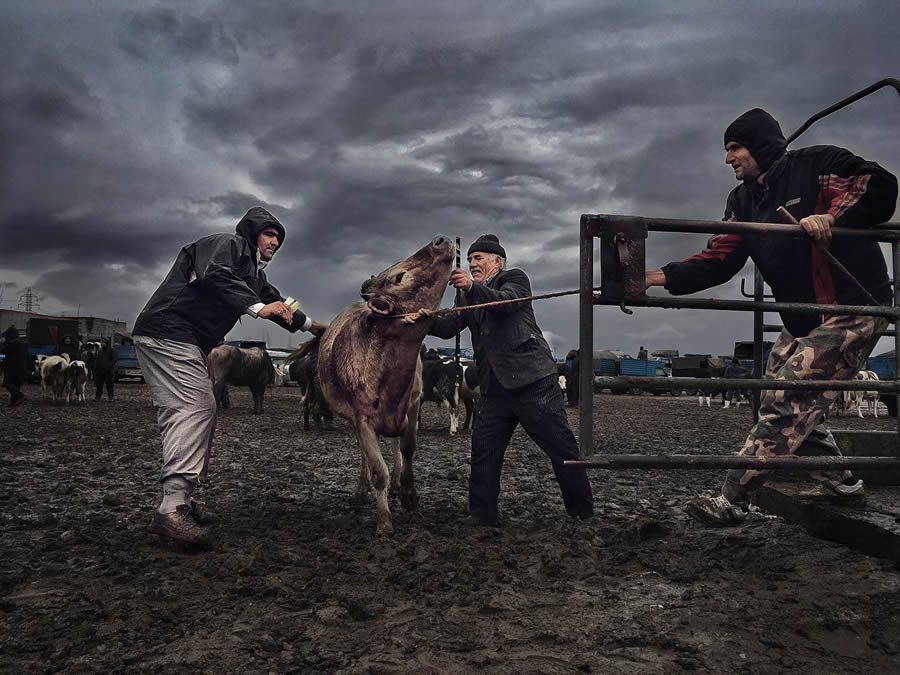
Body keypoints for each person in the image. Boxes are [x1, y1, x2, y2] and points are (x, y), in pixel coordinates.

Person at [644, 108, 897, 526]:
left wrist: (833, 216)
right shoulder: (743, 200)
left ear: (759, 145)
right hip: (802, 319)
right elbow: (719, 258)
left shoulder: (818, 165)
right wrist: (656, 277)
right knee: (774, 393)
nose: (728, 159)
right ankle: (841, 481)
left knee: (788, 395)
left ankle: (732, 500)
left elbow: (876, 186)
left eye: (735, 148)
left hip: (853, 307)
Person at [133, 206, 328, 547]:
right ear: (252, 232)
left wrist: (318, 328)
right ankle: (171, 511)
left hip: (187, 340)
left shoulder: (254, 275)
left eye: (280, 237)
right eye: (270, 233)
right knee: (194, 409)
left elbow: (282, 305)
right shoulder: (227, 245)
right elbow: (216, 275)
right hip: (168, 331)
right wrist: (256, 308)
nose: (276, 241)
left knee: (201, 411)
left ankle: (182, 502)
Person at [404, 234, 594, 526]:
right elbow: (449, 326)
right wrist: (424, 319)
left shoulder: (515, 278)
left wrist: (471, 287)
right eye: (469, 259)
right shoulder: (468, 294)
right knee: (483, 451)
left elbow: (505, 304)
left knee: (561, 448)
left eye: (478, 258)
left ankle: (582, 512)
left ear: (498, 261)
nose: (472, 263)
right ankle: (482, 515)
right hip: (494, 387)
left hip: (533, 380)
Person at [2, 326, 30, 407]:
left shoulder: (12, 343)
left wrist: (5, 342)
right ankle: (13, 403)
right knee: (16, 385)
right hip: (22, 367)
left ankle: (20, 396)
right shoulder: (23, 342)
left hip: (12, 367)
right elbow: (28, 356)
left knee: (8, 384)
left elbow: (3, 350)